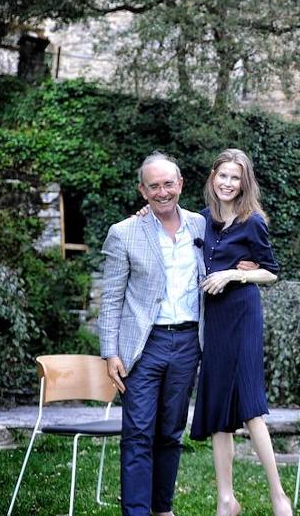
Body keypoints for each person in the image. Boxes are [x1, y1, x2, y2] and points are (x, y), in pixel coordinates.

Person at [99, 151, 254, 516]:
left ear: (181, 184)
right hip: (143, 347)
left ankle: (162, 508)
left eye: (168, 184)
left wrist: (245, 267)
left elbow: (238, 239)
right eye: (153, 186)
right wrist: (110, 352)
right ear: (142, 190)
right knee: (138, 432)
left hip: (188, 343)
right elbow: (111, 298)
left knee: (170, 432)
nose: (162, 192)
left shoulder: (202, 225)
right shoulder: (124, 233)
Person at [192, 148, 291, 516]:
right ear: (213, 177)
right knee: (219, 407)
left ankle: (279, 496)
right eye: (223, 176)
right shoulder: (200, 220)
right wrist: (143, 213)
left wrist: (234, 274)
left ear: (244, 183)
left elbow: (271, 271)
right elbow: (164, 221)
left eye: (235, 178)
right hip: (215, 319)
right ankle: (226, 500)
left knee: (250, 407)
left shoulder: (253, 222)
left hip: (244, 313)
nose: (228, 183)